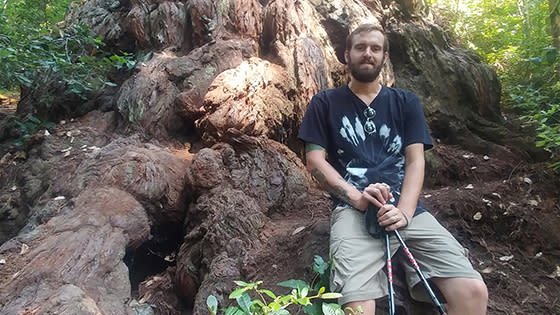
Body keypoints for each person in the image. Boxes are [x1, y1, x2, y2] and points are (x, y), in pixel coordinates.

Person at [297, 24, 488, 314]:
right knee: (357, 307)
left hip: (405, 207)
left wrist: (405, 212)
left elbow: (415, 160)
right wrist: (357, 198)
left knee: (473, 292)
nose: (368, 54)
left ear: (385, 56)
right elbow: (315, 161)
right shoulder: (325, 102)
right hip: (353, 209)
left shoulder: (406, 102)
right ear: (346, 55)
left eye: (375, 48)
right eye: (360, 47)